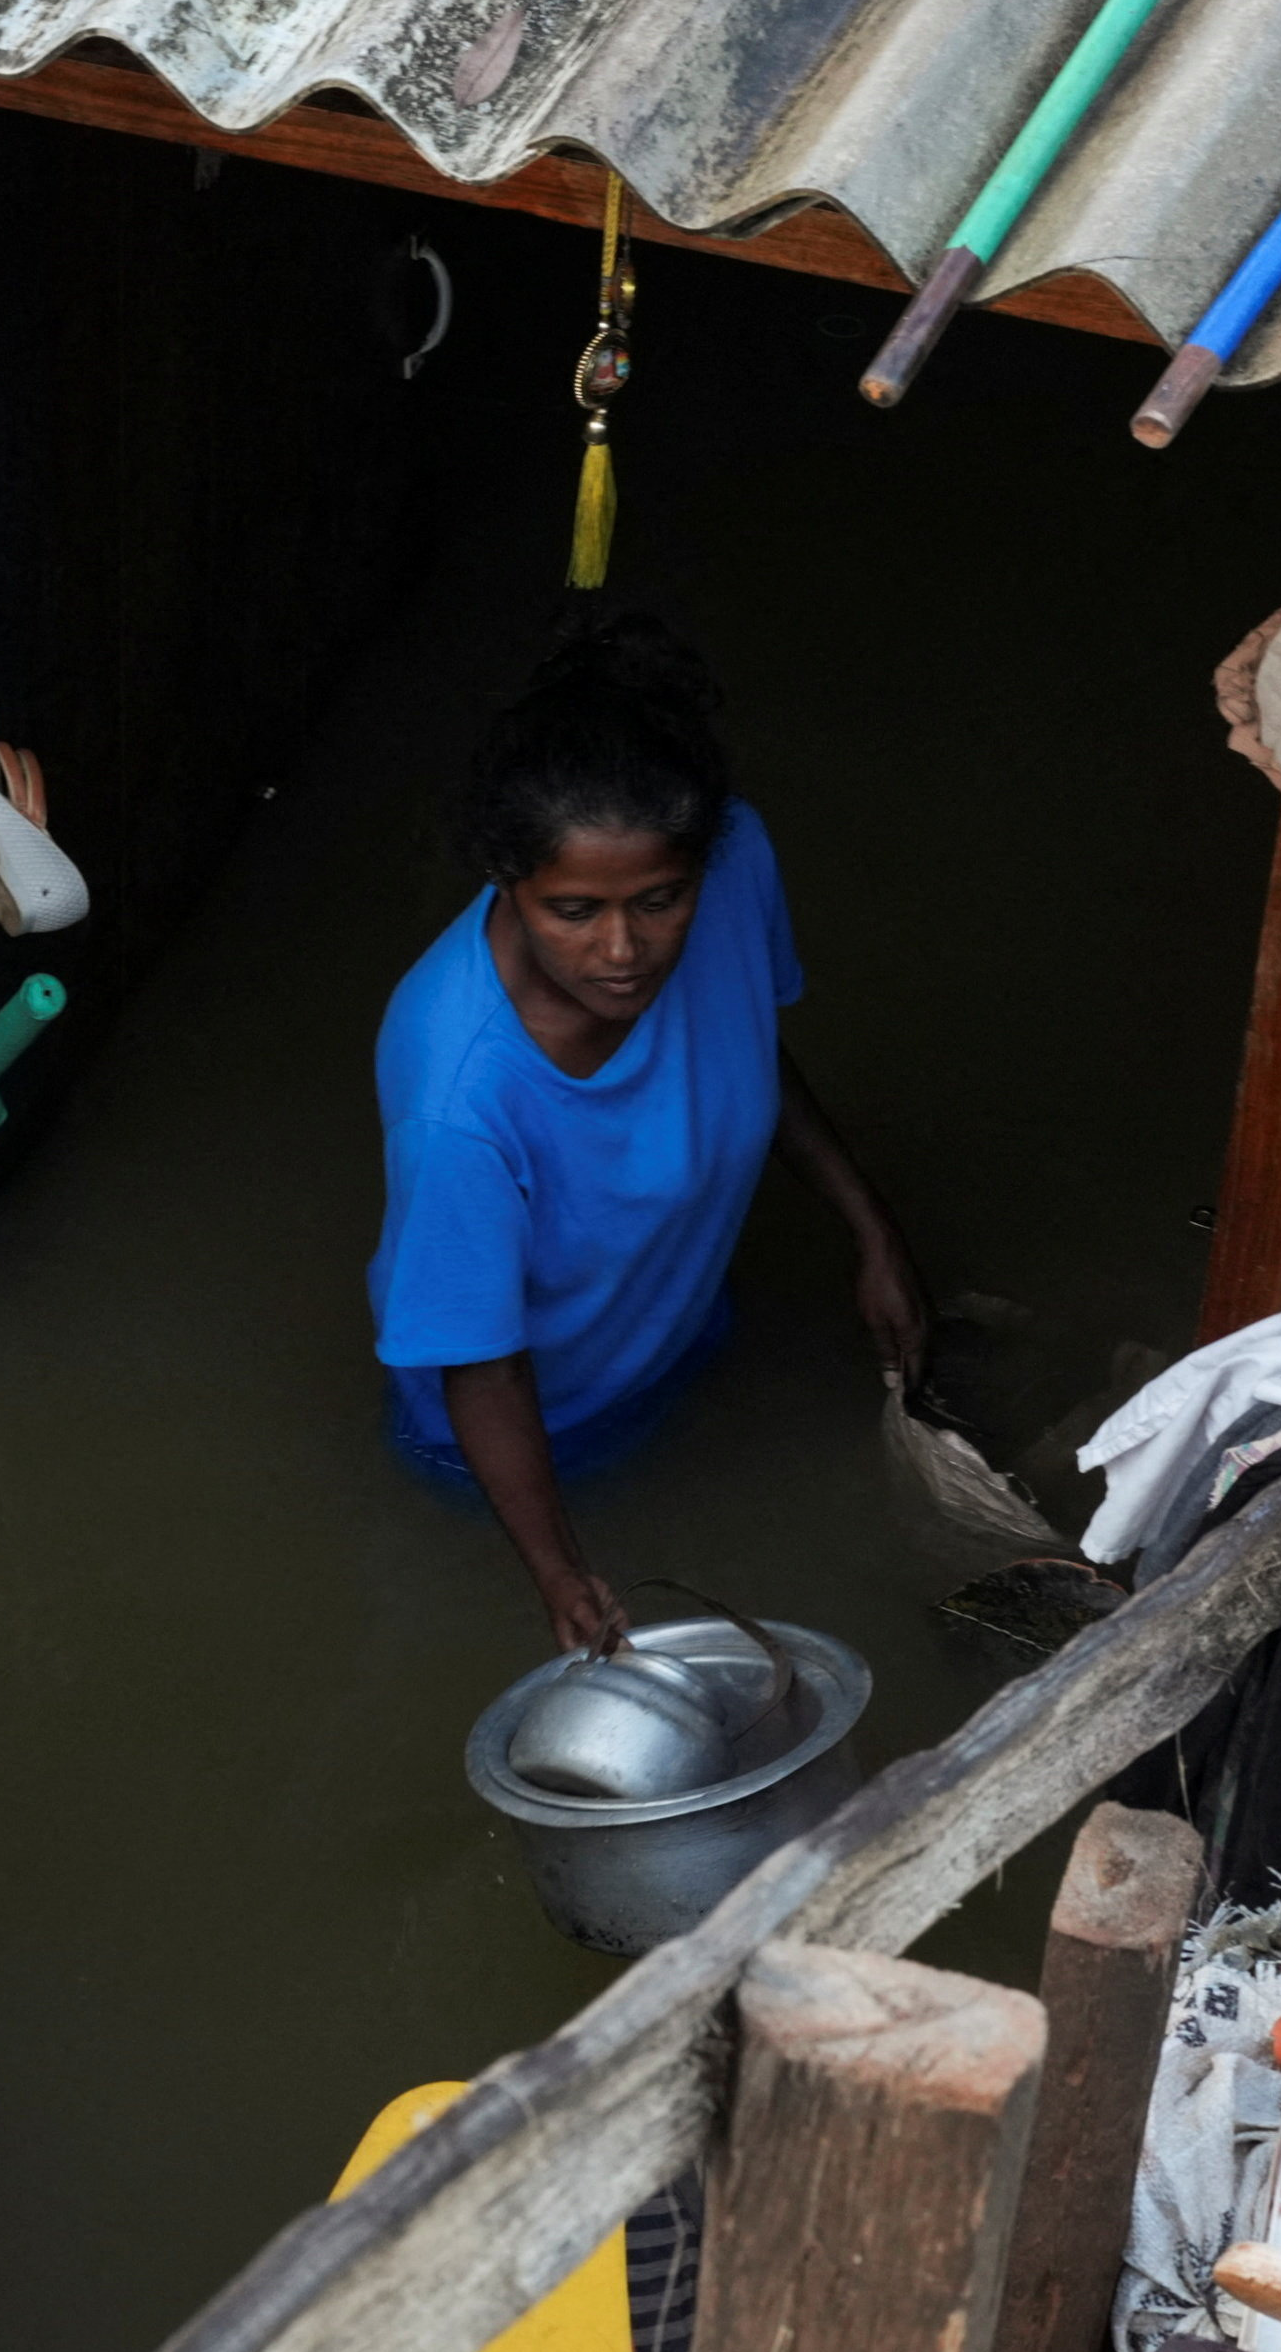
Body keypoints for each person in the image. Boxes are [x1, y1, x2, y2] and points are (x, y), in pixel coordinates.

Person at [369, 618, 925, 1655]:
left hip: (685, 1335)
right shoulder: (460, 1100)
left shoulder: (735, 861)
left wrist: (871, 1231)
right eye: (573, 911)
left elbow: (746, 1045)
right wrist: (560, 1573)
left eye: (658, 902)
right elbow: (479, 1366)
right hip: (530, 1438)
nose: (622, 951)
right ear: (505, 880)